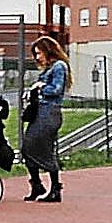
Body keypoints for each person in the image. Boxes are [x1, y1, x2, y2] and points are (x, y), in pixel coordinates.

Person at [23, 35, 71, 202]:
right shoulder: (48, 68)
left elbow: (57, 89)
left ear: (48, 51)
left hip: (50, 113)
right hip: (40, 112)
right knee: (27, 147)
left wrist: (41, 87)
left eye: (39, 53)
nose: (37, 57)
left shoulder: (59, 66)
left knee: (45, 149)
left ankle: (55, 189)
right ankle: (36, 185)